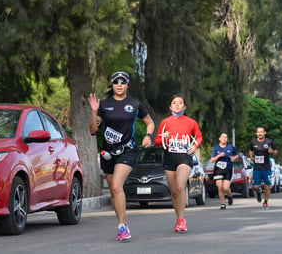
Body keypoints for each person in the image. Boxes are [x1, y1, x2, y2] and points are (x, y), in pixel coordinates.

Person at [88, 70, 155, 241]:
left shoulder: (134, 104)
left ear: (127, 85)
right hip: (107, 152)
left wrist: (148, 135)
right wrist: (94, 112)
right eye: (116, 81)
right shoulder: (103, 105)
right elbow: (93, 130)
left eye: (122, 82)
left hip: (127, 150)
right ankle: (121, 222)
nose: (119, 84)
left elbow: (150, 122)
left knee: (117, 185)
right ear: (112, 84)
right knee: (113, 189)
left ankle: (122, 225)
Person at [154, 94, 203, 233]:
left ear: (184, 106)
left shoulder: (191, 122)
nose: (177, 104)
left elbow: (199, 136)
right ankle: (178, 218)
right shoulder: (165, 122)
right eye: (174, 102)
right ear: (170, 107)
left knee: (181, 186)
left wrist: (195, 145)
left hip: (184, 157)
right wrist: (163, 137)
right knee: (174, 192)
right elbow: (157, 142)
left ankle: (182, 219)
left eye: (180, 102)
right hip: (170, 157)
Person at [249, 127, 277, 209]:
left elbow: (275, 151)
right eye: (258, 132)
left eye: (261, 132)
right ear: (256, 133)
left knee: (267, 186)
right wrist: (251, 157)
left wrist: (272, 151)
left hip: (266, 167)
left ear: (264, 133)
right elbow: (250, 150)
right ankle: (258, 192)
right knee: (255, 187)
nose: (260, 133)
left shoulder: (269, 142)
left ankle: (265, 202)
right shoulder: (253, 142)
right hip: (257, 167)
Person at [210, 132, 239, 209]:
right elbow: (212, 160)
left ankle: (229, 195)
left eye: (226, 137)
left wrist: (234, 158)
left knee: (225, 188)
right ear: (219, 138)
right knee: (219, 187)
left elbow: (237, 155)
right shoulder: (216, 148)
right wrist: (218, 156)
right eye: (222, 137)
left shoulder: (231, 147)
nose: (224, 138)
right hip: (218, 169)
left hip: (228, 169)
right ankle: (223, 203)